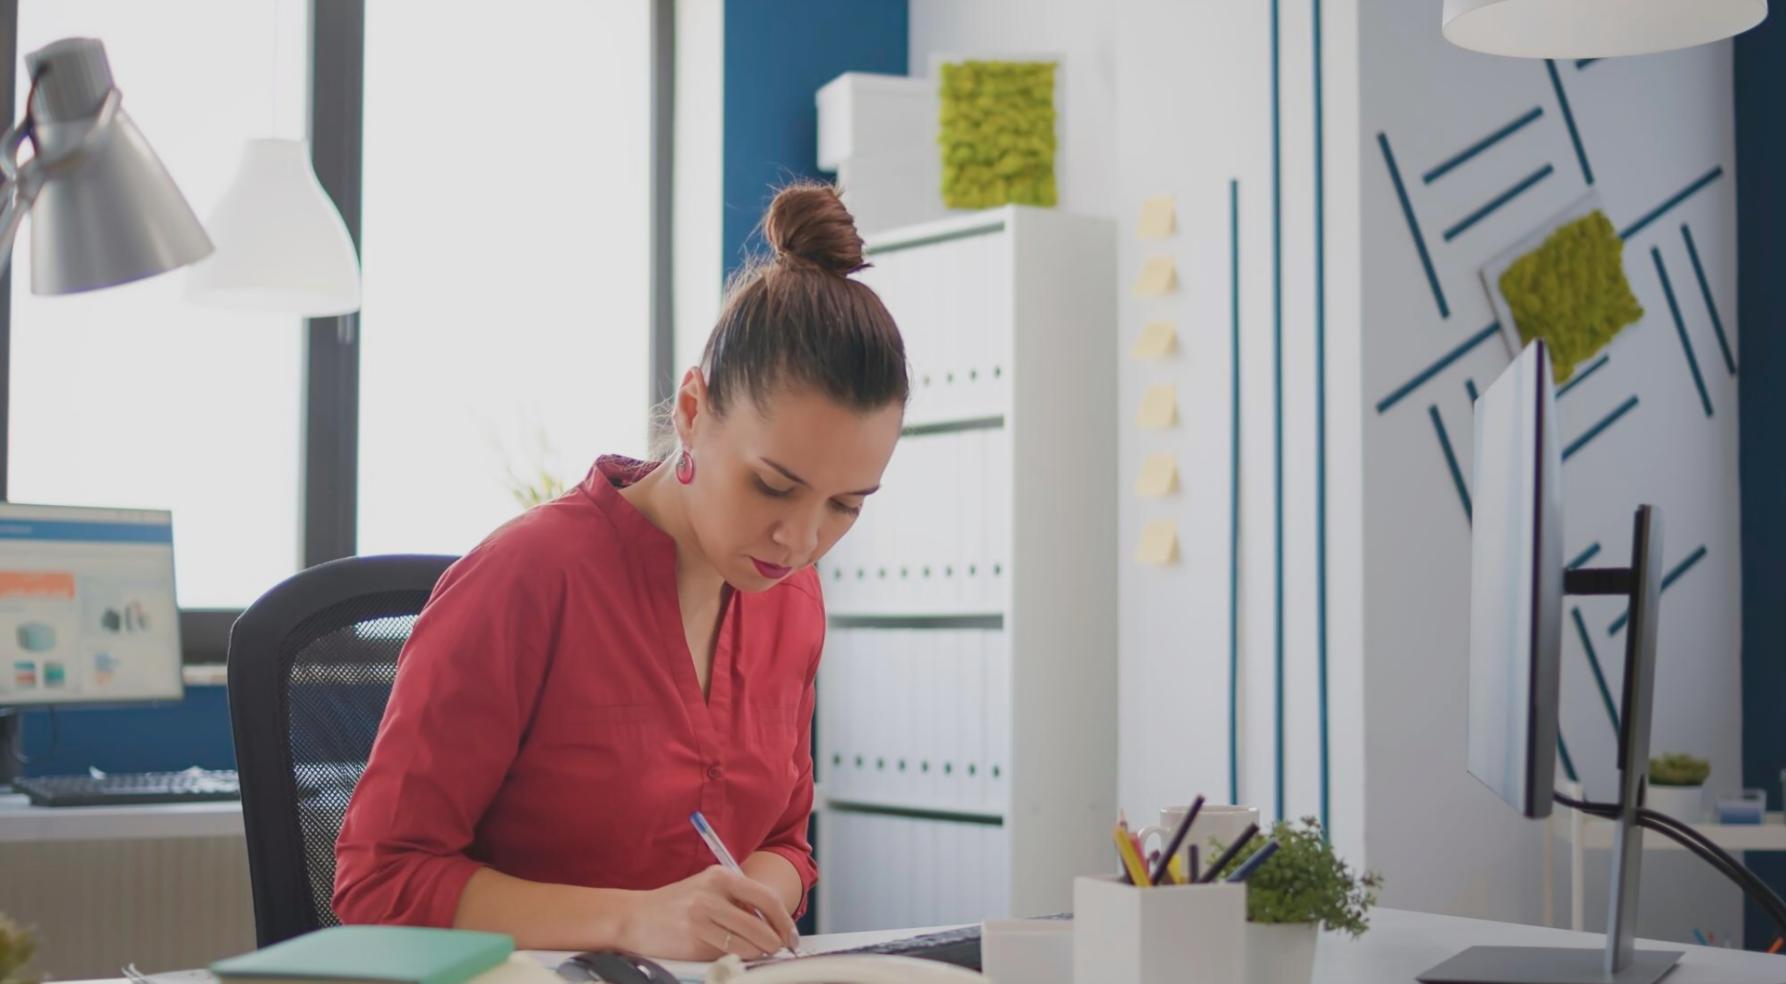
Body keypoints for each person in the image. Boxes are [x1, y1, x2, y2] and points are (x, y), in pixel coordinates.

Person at [332, 183, 907, 959]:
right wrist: (633, 921)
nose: (800, 540)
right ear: (694, 411)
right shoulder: (526, 580)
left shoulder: (792, 599)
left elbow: (784, 842)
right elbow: (381, 880)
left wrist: (753, 903)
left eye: (846, 506)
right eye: (774, 485)